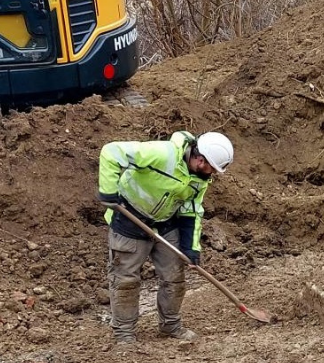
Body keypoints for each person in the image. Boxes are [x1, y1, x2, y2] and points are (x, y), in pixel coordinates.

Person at [96, 131, 234, 346]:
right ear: (200, 159)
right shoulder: (161, 154)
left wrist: (191, 248)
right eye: (212, 168)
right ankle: (124, 333)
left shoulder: (199, 179)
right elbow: (111, 152)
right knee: (125, 281)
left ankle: (170, 325)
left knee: (174, 277)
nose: (213, 173)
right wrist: (109, 192)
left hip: (165, 225)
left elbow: (192, 210)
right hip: (129, 219)